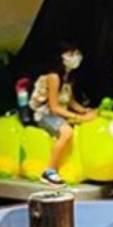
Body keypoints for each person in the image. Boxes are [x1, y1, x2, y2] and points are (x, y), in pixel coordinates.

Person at [30, 42, 96, 182]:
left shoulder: (68, 77)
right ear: (60, 57)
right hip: (44, 114)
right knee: (67, 133)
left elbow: (70, 101)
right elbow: (54, 107)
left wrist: (85, 110)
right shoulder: (53, 77)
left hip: (58, 113)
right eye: (71, 54)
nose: (76, 57)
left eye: (77, 54)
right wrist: (78, 117)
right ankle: (49, 171)